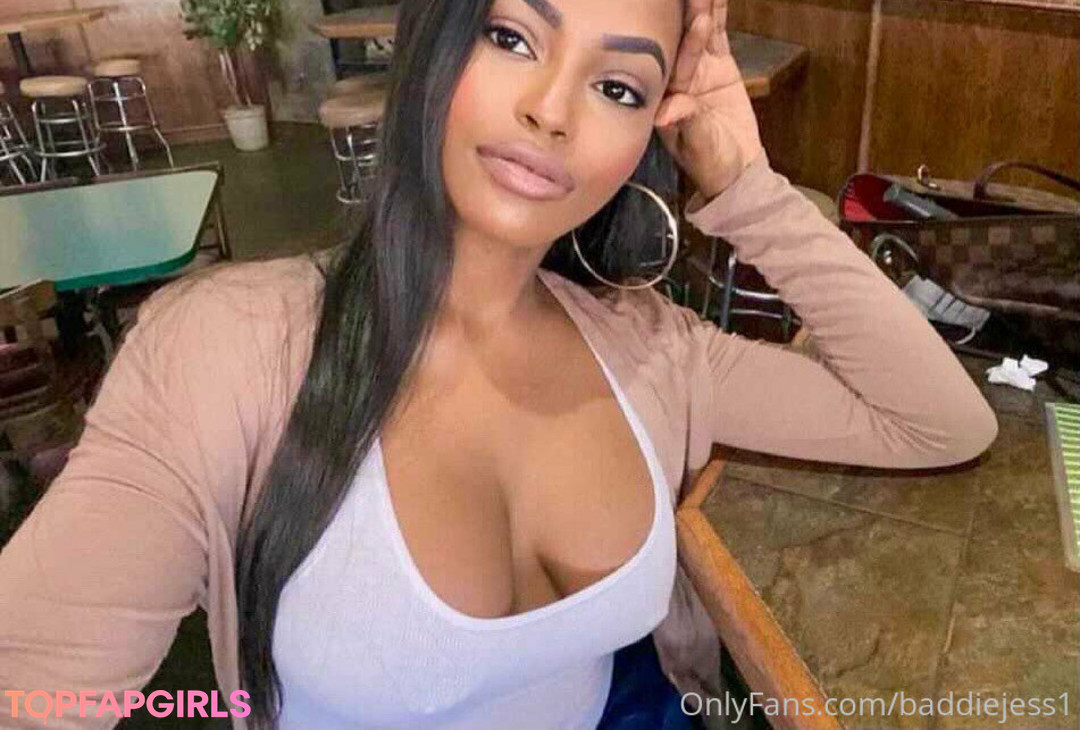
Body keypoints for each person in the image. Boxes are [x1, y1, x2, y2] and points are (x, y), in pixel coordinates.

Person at [0, 0, 998, 727]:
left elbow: (935, 421)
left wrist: (747, 183)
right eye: (513, 37)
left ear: (647, 135)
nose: (554, 112)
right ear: (436, 45)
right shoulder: (230, 350)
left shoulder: (649, 345)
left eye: (618, 87)